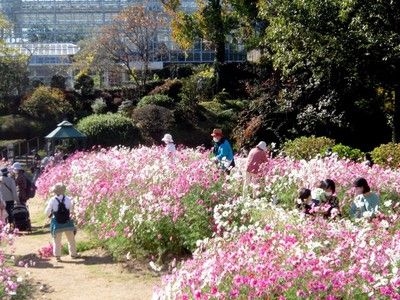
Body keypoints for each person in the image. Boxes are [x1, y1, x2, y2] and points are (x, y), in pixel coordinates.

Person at [44, 183, 78, 261]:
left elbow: (46, 212)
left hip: (57, 222)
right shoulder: (68, 199)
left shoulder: (52, 200)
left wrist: (51, 214)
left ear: (55, 191)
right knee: (71, 239)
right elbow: (71, 210)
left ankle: (58, 256)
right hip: (67, 221)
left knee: (56, 241)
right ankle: (73, 254)